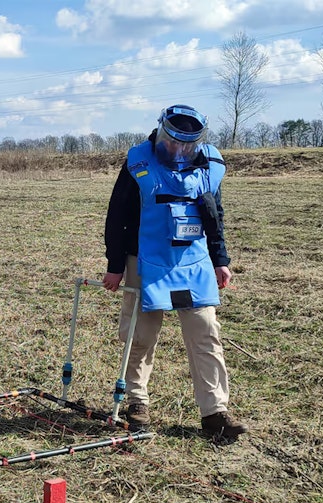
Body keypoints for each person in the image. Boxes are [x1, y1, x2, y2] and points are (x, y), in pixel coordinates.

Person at [101, 104, 248, 441]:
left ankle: (215, 413)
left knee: (206, 332)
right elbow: (117, 215)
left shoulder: (210, 166)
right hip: (145, 260)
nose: (179, 150)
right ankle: (136, 401)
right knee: (140, 335)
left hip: (192, 263)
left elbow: (215, 215)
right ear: (161, 132)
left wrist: (220, 259)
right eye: (173, 141)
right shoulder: (138, 162)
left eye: (188, 145)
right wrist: (115, 266)